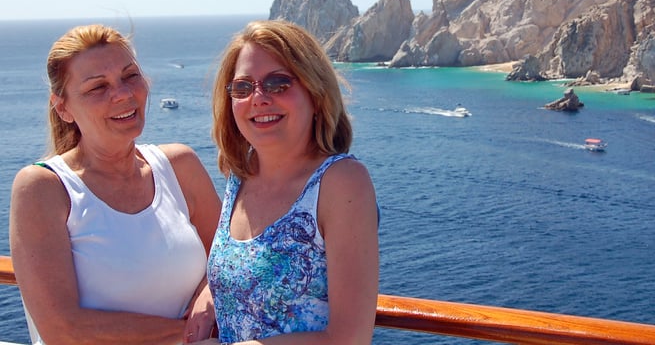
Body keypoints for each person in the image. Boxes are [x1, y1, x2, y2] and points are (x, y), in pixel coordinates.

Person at [9, 24, 222, 344]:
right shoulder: (43, 188)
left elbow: (228, 262)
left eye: (130, 76)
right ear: (63, 107)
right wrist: (190, 333)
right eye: (98, 87)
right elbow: (63, 330)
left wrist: (210, 295)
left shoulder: (180, 166)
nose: (123, 93)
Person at [186, 20, 379, 344]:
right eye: (243, 88)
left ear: (315, 94)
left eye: (278, 84)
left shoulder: (342, 182)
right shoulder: (241, 177)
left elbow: (349, 338)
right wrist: (210, 292)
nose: (259, 98)